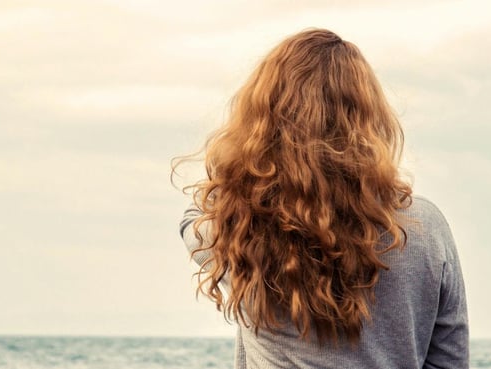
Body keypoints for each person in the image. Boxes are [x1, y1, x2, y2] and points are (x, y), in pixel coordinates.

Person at [174, 28, 468, 369]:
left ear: (264, 119)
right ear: (370, 118)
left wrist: (246, 156)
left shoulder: (239, 226)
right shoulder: (425, 226)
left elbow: (193, 217)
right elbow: (450, 359)